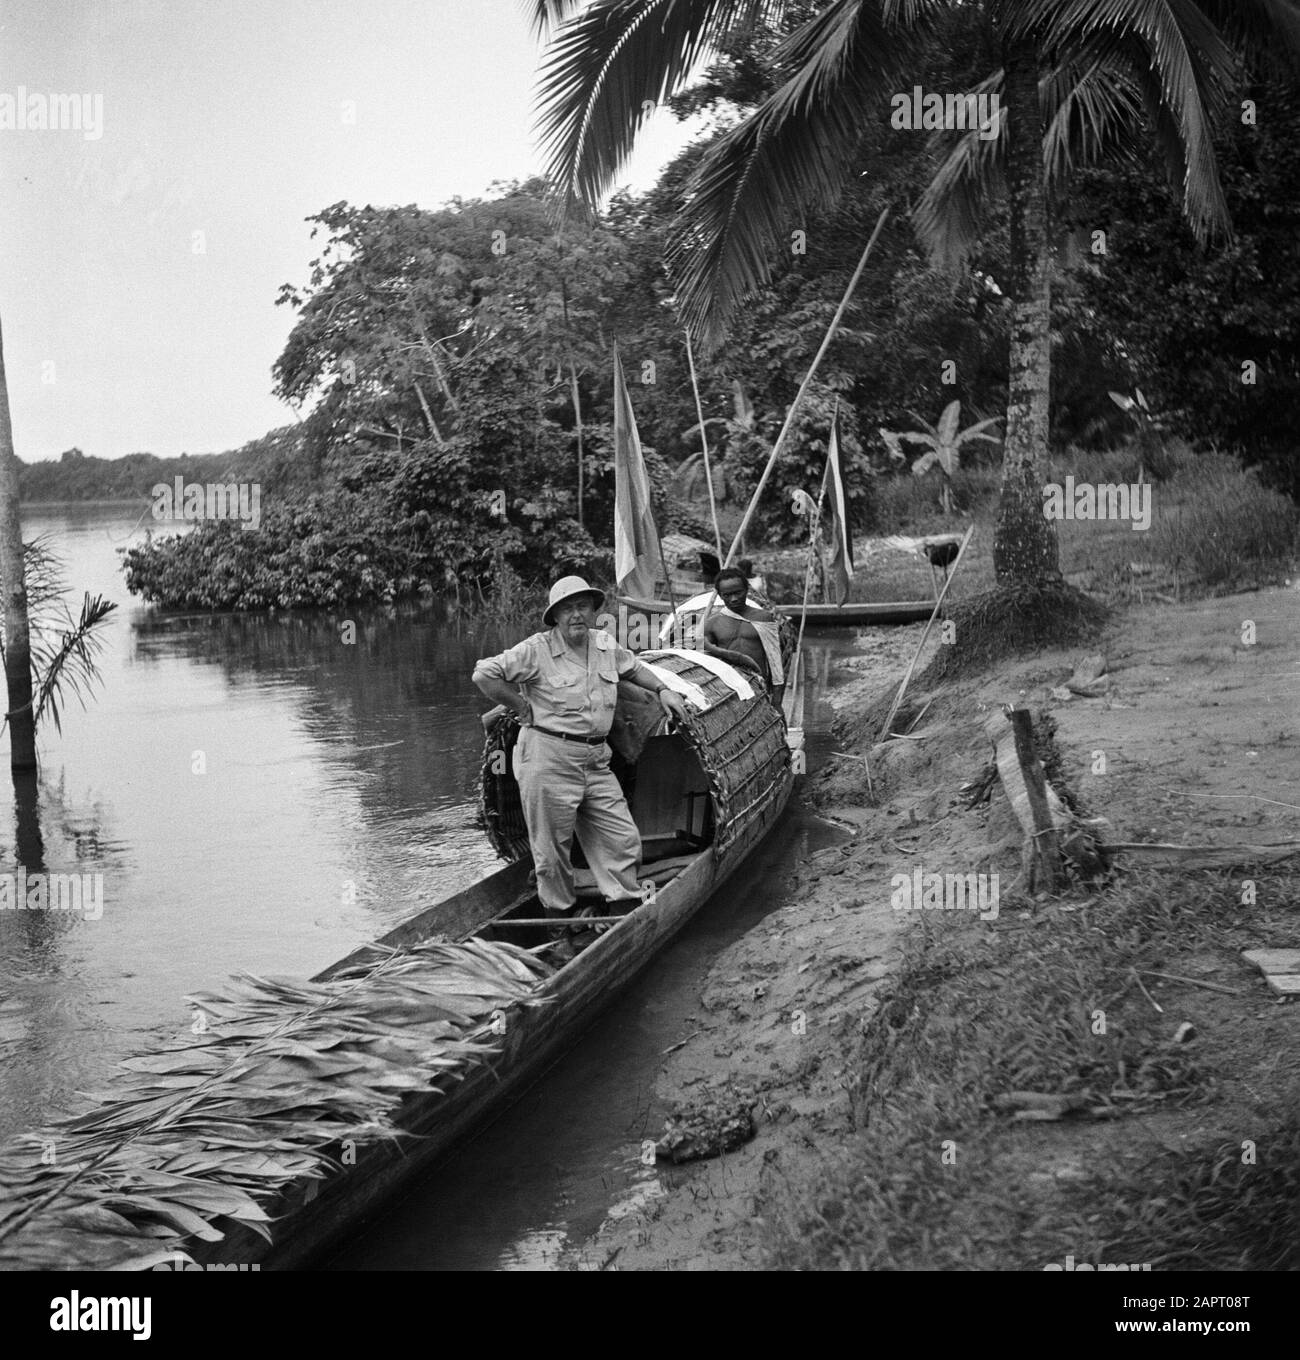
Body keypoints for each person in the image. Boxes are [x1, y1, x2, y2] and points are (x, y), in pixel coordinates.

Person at [472, 575, 689, 922]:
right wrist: (520, 706)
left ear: (593, 611)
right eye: (568, 608)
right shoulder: (536, 650)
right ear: (555, 616)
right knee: (552, 851)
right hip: (547, 758)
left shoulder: (604, 644)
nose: (576, 615)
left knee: (621, 837)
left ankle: (621, 911)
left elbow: (634, 669)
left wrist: (664, 690)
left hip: (595, 760)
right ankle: (559, 925)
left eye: (583, 606)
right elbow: (484, 675)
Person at [700, 567, 785, 708]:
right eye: (727, 595)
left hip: (758, 685)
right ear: (720, 596)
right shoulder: (712, 623)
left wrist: (777, 698)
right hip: (727, 689)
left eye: (738, 592)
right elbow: (705, 660)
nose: (733, 599)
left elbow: (774, 659)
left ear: (746, 590)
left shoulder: (763, 617)